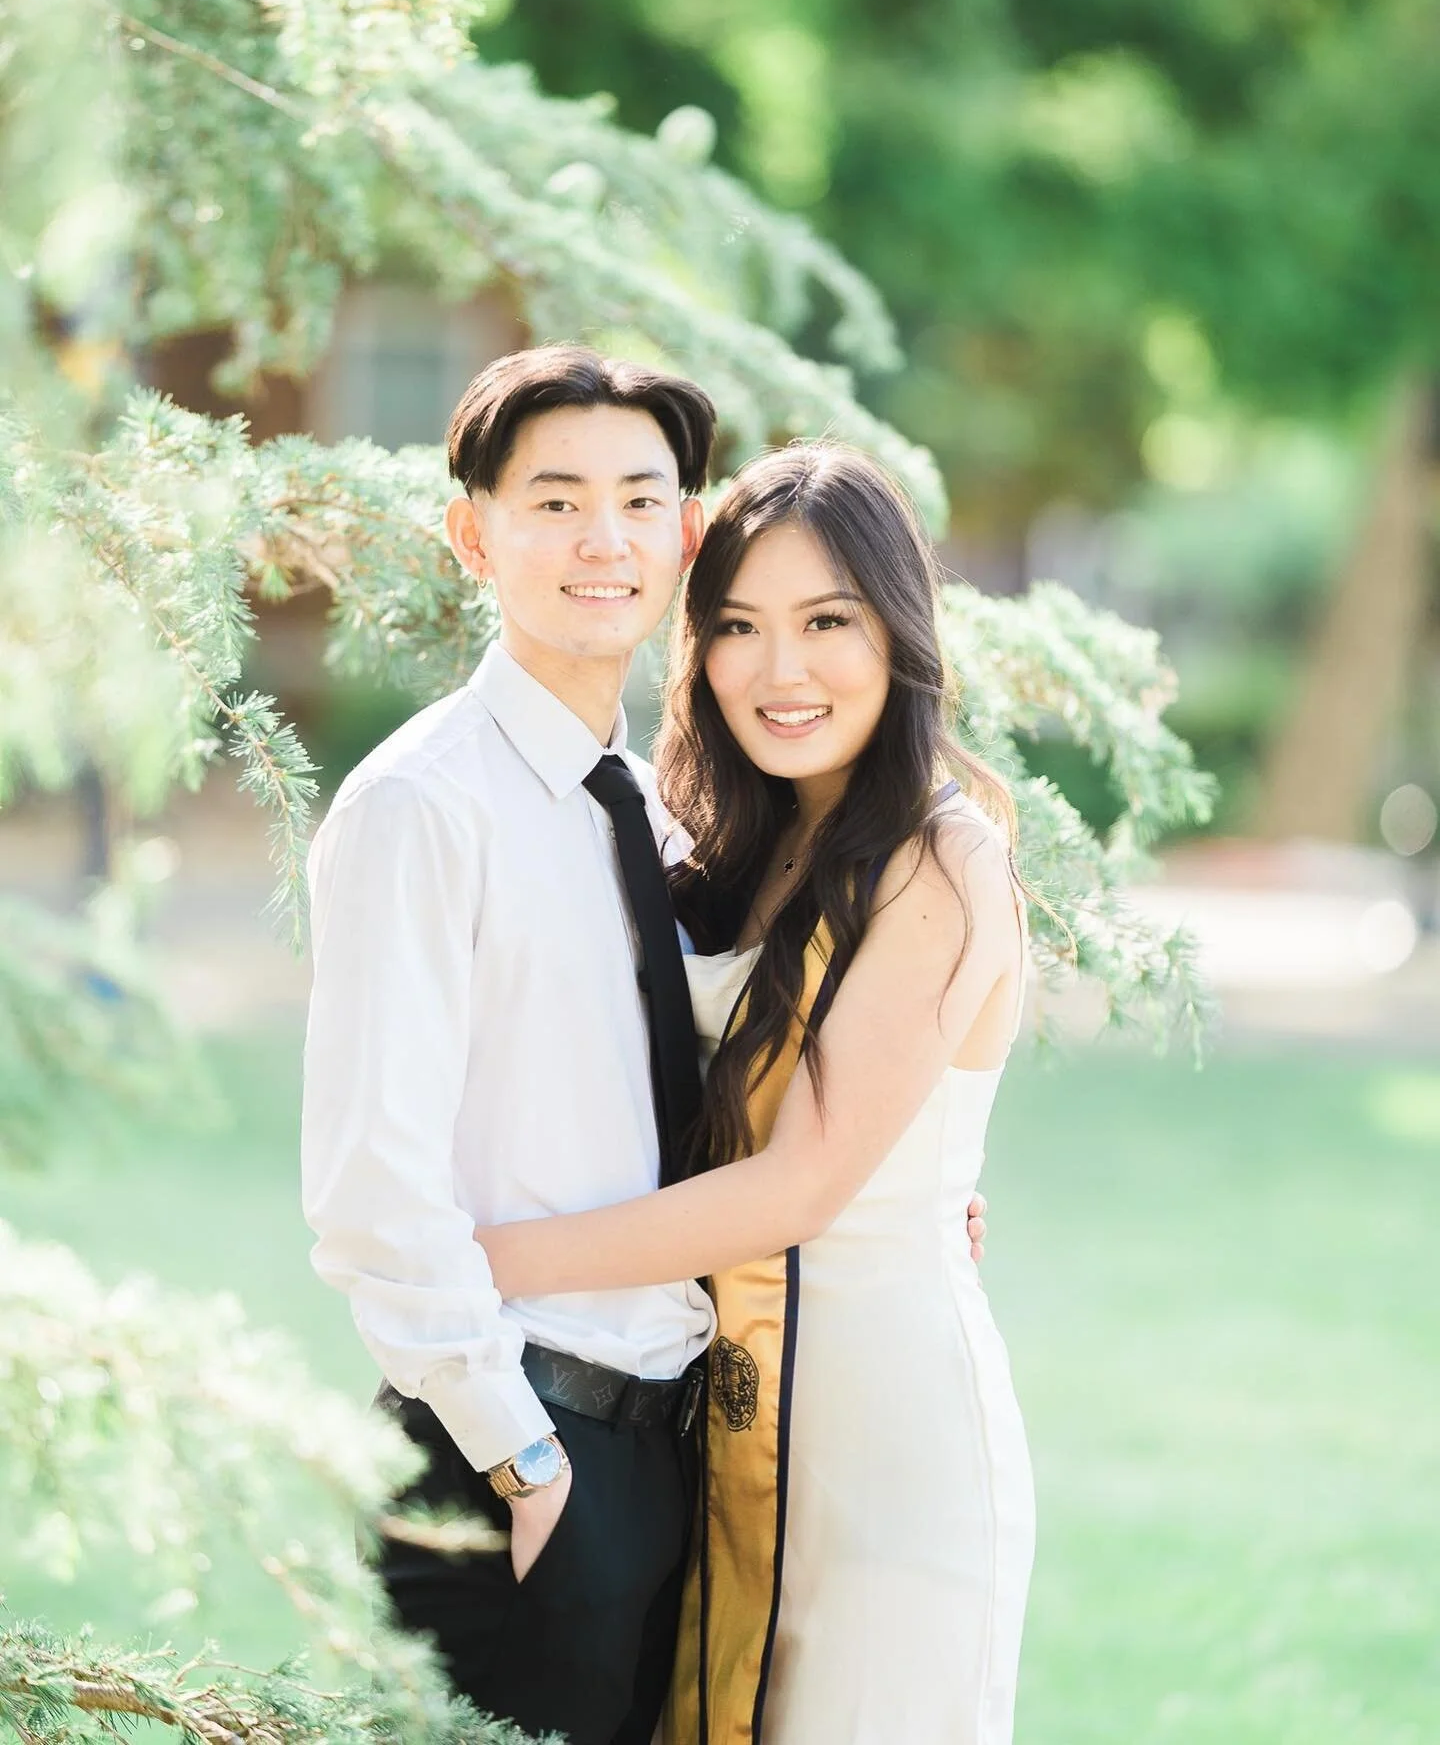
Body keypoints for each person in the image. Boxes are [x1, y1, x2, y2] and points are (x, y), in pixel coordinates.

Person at [300, 348, 988, 1745]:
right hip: (520, 1437)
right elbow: (374, 1186)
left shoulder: (664, 824)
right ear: (472, 530)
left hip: (677, 1439)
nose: (599, 540)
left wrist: (912, 1185)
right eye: (553, 502)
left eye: (637, 499)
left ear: (683, 532)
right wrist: (524, 1458)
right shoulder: (423, 810)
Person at [475, 440, 1035, 1745]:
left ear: (898, 628)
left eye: (826, 621)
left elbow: (799, 1185)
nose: (781, 672)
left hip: (889, 1455)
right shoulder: (750, 841)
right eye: (738, 626)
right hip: (723, 1419)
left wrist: (486, 1257)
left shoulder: (940, 860)